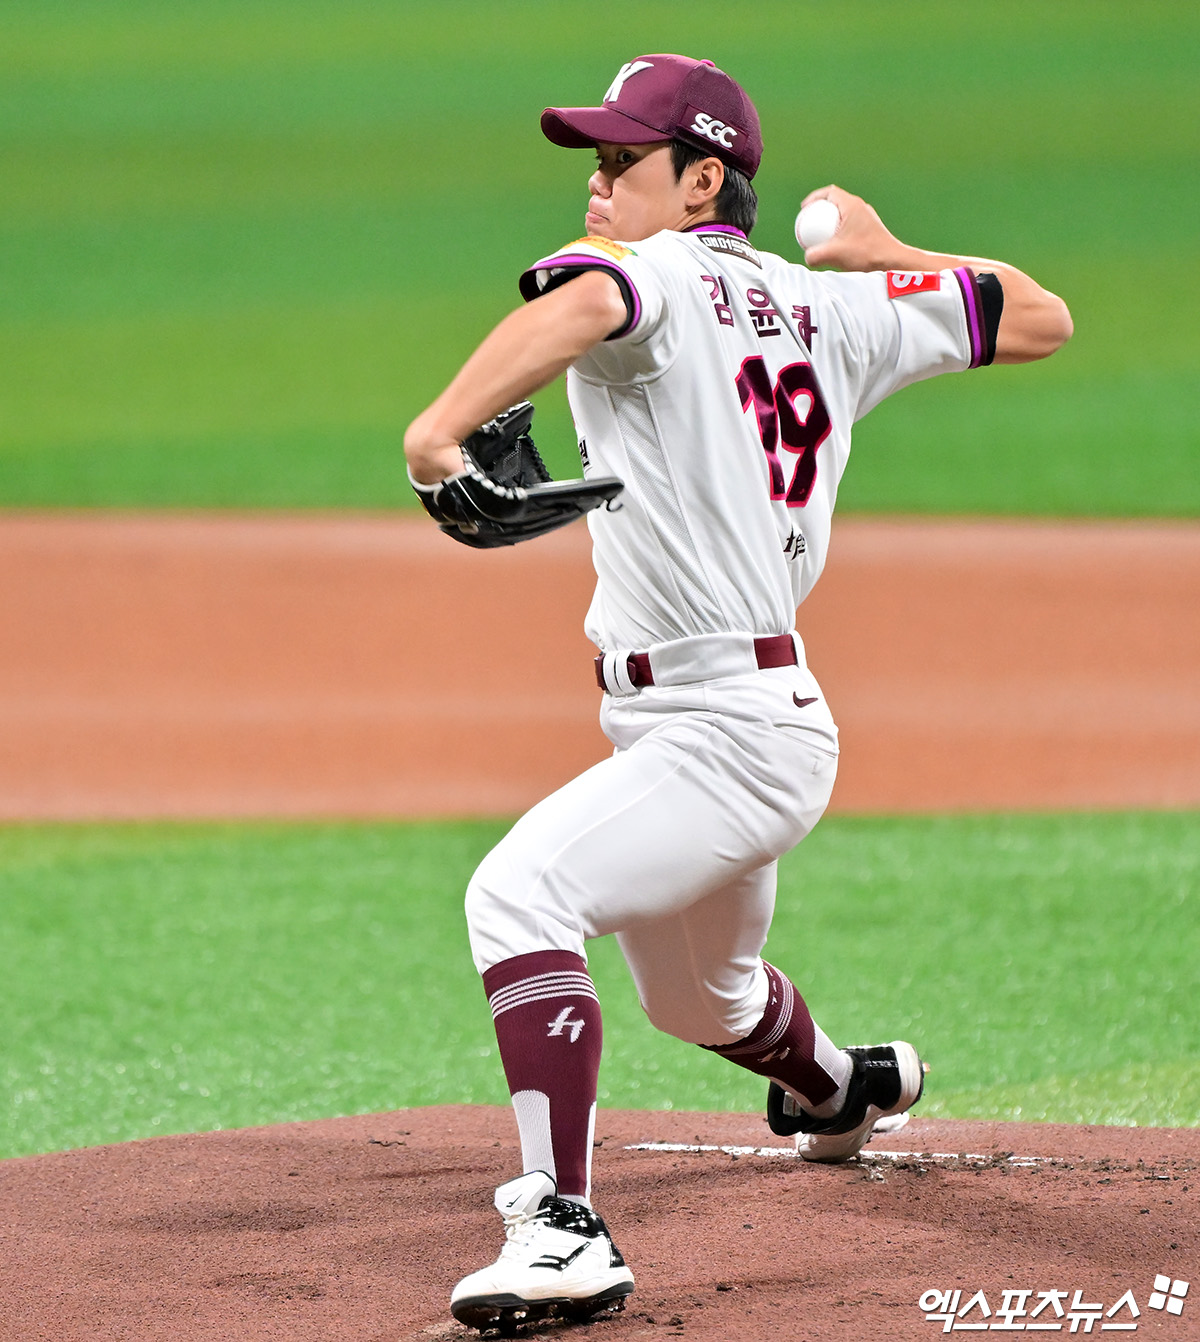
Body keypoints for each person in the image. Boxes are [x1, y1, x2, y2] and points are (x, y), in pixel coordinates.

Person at [404, 53, 1072, 1334]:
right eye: (595, 161)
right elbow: (1037, 315)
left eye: (623, 161)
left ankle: (562, 1229)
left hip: (725, 732)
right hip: (748, 722)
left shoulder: (649, 273)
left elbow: (585, 302)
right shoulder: (837, 309)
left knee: (518, 893)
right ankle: (839, 1088)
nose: (597, 185)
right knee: (700, 1000)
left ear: (704, 179)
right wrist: (883, 255)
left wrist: (434, 433)